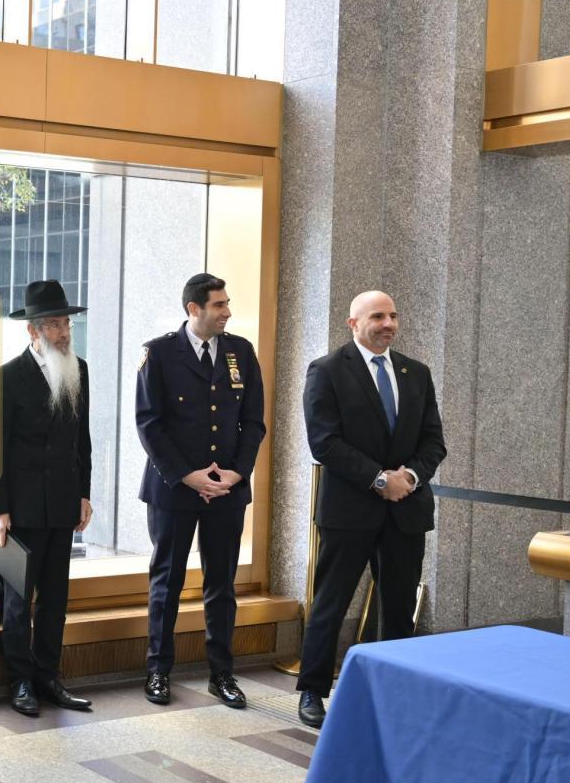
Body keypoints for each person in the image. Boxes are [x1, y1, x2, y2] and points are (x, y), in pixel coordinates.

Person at [295, 290, 447, 728]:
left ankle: (394, 689)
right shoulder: (327, 370)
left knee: (398, 606)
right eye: (378, 316)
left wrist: (409, 478)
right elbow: (324, 442)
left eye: (393, 316)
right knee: (331, 602)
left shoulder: (416, 373)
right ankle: (312, 690)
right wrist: (380, 480)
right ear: (353, 323)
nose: (389, 324)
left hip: (406, 510)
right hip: (349, 510)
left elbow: (434, 441)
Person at [135, 273, 267, 709]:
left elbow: (254, 422)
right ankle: (158, 671)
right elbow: (149, 424)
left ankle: (222, 673)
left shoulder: (240, 352)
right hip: (174, 489)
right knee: (167, 581)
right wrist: (187, 476)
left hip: (226, 490)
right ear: (194, 309)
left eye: (227, 303)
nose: (227, 311)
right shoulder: (159, 353)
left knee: (221, 584)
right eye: (219, 305)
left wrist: (237, 474)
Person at [0, 279, 94, 716]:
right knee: (17, 601)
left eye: (66, 323)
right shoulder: (7, 376)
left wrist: (84, 494)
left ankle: (49, 677)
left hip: (63, 504)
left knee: (55, 600)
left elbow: (82, 439)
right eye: (53, 325)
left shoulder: (79, 369)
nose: (63, 332)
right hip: (20, 509)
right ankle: (20, 682)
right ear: (33, 330)